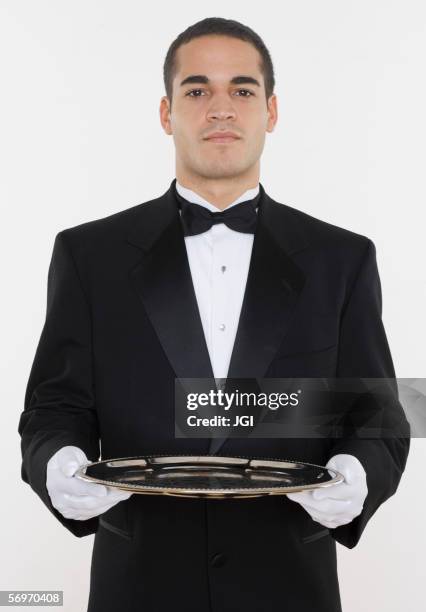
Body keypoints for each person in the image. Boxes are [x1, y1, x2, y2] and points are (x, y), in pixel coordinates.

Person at [18, 17, 410, 612]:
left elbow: (377, 412)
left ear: (271, 112)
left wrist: (358, 473)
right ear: (165, 112)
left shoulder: (343, 258)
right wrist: (59, 464)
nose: (220, 109)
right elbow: (54, 407)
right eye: (197, 90)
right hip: (139, 587)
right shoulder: (88, 255)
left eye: (243, 90)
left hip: (290, 588)